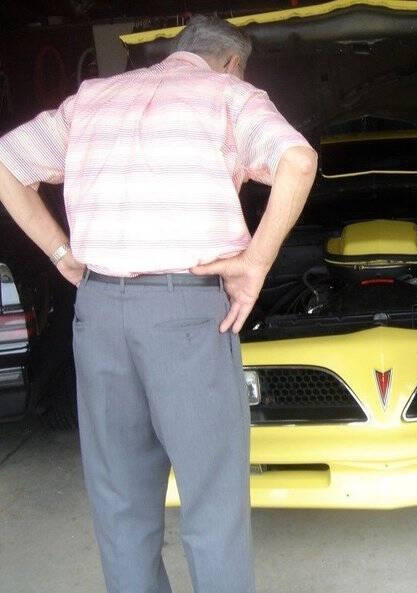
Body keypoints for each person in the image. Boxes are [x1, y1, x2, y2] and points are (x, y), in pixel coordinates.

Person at [0, 15, 317, 593]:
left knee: (120, 503)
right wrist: (256, 263)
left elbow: (6, 161)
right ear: (232, 62)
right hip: (187, 314)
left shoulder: (92, 98)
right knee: (212, 503)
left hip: (97, 312)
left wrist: (61, 253)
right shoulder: (228, 96)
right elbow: (298, 162)